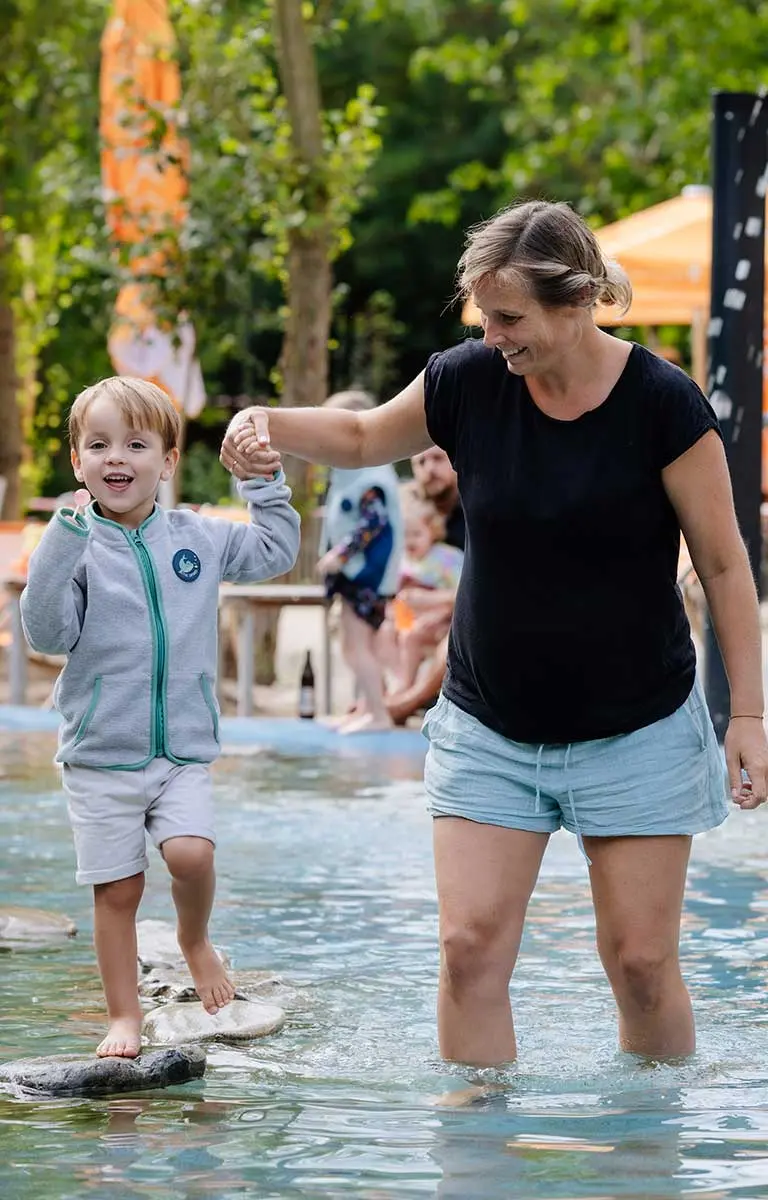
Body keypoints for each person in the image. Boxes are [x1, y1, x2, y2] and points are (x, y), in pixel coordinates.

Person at [220, 199, 768, 1069]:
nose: (495, 335)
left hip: (639, 727)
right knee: (468, 951)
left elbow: (727, 564)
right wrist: (268, 424)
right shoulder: (468, 379)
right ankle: (478, 1162)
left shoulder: (664, 405)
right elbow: (363, 434)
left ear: (578, 301)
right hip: (489, 727)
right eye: (484, 316)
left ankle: (648, 1157)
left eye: (511, 317)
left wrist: (745, 718)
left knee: (641, 965)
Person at [21, 376, 300, 1059]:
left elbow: (274, 552)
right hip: (99, 757)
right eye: (99, 445)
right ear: (77, 463)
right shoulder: (78, 548)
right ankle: (122, 1015)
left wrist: (263, 483)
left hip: (180, 752)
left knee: (191, 854)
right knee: (118, 891)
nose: (118, 457)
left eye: (137, 444)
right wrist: (60, 544)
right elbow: (46, 635)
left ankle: (193, 938)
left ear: (168, 461)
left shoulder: (198, 539)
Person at [317, 389, 403, 733]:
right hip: (358, 574)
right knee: (359, 645)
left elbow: (373, 522)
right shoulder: (353, 473)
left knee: (356, 645)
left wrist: (340, 555)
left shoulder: (371, 474)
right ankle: (367, 708)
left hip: (364, 574)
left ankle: (378, 714)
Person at [385, 448, 465, 724]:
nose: (429, 468)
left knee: (457, 638)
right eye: (421, 461)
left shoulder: (471, 510)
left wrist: (437, 602)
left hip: (459, 614)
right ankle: (388, 693)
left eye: (438, 458)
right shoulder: (409, 512)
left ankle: (409, 700)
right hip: (416, 613)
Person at [381, 493, 463, 691]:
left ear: (432, 532)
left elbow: (459, 593)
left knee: (411, 637)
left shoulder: (446, 558)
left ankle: (406, 688)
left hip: (438, 620)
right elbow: (393, 596)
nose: (410, 541)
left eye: (416, 534)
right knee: (382, 633)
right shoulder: (401, 561)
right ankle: (398, 678)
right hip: (406, 618)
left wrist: (437, 610)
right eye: (404, 534)